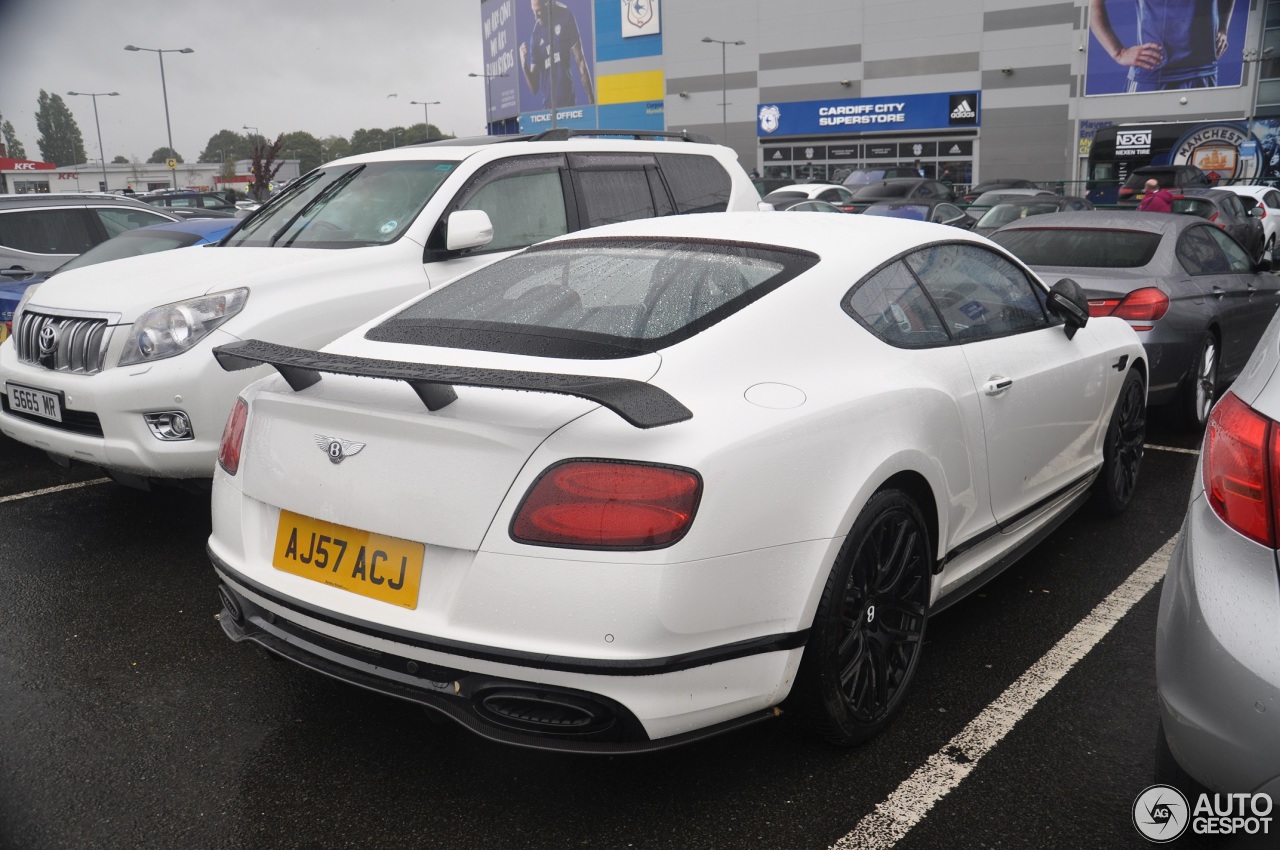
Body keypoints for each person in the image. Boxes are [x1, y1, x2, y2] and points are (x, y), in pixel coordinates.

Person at [1088, 0, 1236, 92]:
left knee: (1199, 141)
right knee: (1140, 140)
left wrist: (1223, 28)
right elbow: (1094, 5)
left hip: (1201, 72)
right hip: (1153, 74)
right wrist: (1118, 53)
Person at [519, 0, 595, 110]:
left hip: (568, 104)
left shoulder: (565, 15)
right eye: (533, 12)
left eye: (538, 11)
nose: (535, 17)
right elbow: (534, 89)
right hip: (548, 109)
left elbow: (580, 62)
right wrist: (524, 65)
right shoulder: (535, 36)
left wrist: (591, 100)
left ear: (548, 4)